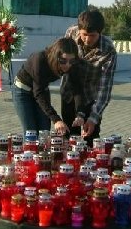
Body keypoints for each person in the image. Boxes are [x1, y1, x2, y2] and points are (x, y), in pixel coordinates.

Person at [60, 9, 117, 141]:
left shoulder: (108, 51)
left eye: (92, 35)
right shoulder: (70, 34)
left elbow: (105, 90)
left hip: (91, 96)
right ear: (79, 30)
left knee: (91, 137)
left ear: (100, 32)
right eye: (84, 34)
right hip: (70, 93)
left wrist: (93, 118)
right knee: (69, 137)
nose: (87, 39)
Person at [13, 37, 87, 135]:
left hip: (42, 88)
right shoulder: (39, 59)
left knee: (45, 131)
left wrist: (80, 114)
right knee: (31, 132)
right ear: (56, 56)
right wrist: (56, 119)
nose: (68, 65)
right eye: (63, 61)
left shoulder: (73, 64)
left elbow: (77, 89)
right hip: (23, 91)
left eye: (72, 61)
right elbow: (38, 93)